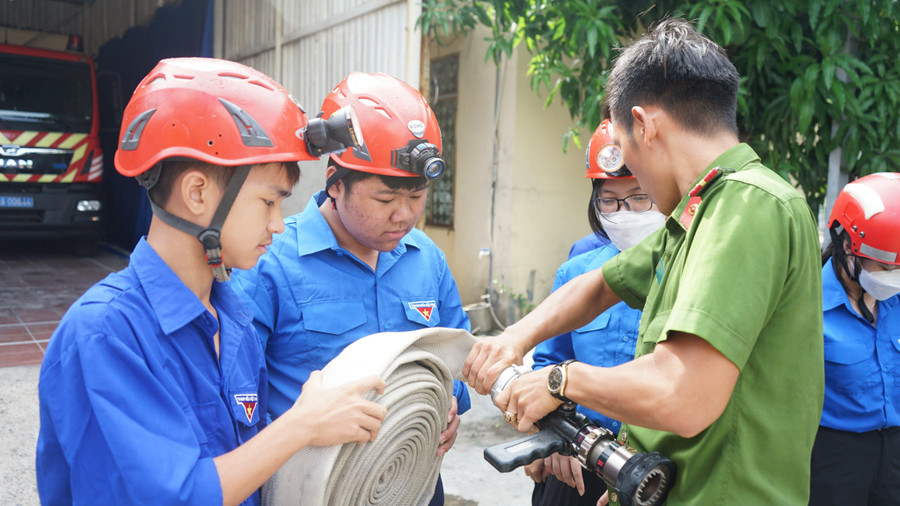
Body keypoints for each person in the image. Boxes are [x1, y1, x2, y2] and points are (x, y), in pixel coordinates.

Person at [462, 18, 824, 505]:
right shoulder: (698, 215)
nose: (638, 188)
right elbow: (600, 284)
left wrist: (559, 379)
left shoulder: (748, 206)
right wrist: (513, 338)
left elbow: (684, 395)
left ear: (645, 126)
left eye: (627, 156)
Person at [35, 58, 387, 506]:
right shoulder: (105, 335)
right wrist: (301, 424)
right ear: (198, 193)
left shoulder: (232, 319)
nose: (279, 224)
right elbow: (170, 496)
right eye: (268, 202)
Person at [231, 71, 470, 505]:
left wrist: (448, 404)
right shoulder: (270, 264)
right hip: (313, 490)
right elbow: (238, 399)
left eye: (416, 196)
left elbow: (459, 356)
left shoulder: (426, 259)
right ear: (335, 183)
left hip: (413, 481)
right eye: (385, 199)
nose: (404, 215)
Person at [526, 119, 665, 505]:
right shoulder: (577, 271)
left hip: (655, 470)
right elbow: (547, 363)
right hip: (577, 463)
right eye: (610, 199)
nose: (625, 212)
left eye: (639, 197)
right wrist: (552, 435)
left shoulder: (687, 272)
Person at [810, 172, 900, 505]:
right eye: (885, 269)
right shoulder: (807, 305)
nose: (894, 279)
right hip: (834, 458)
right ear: (848, 246)